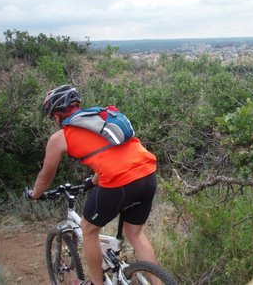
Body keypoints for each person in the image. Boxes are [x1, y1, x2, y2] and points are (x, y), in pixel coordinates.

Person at [29, 84, 158, 285]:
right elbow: (109, 155)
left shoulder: (61, 137)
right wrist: (93, 181)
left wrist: (35, 194)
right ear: (77, 105)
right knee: (135, 233)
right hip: (148, 173)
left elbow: (46, 176)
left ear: (56, 115)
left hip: (120, 181)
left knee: (88, 229)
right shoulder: (100, 119)